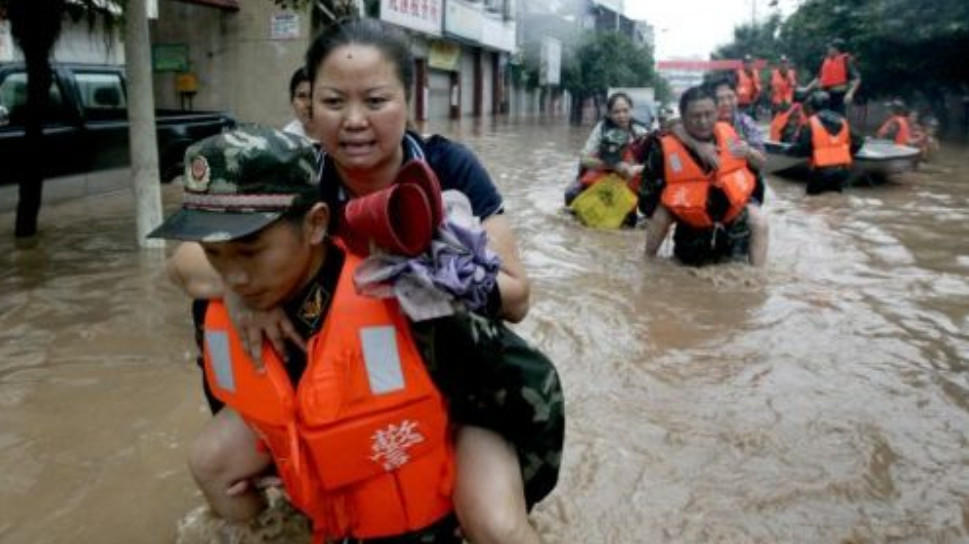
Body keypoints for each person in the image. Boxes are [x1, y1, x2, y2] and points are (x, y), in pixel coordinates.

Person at [166, 18, 557, 544]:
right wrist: (239, 289)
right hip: (337, 382)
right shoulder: (300, 175)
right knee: (213, 465)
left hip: (451, 378)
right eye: (332, 102)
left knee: (495, 526)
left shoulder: (447, 168)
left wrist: (442, 276)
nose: (354, 121)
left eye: (375, 101)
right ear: (308, 107)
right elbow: (187, 261)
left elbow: (518, 299)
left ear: (407, 100)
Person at [637, 85, 769, 267]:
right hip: (690, 219)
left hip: (730, 218)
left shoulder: (733, 137)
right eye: (695, 116)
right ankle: (647, 264)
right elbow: (646, 198)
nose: (703, 121)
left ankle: (758, 278)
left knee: (759, 220)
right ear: (682, 117)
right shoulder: (664, 147)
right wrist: (675, 206)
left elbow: (756, 182)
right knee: (661, 213)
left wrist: (750, 153)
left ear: (717, 113)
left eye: (709, 114)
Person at [563, 91, 650, 207]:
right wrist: (614, 165)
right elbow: (584, 159)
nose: (622, 116)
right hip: (601, 177)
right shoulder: (601, 129)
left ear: (631, 110)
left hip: (629, 180)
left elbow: (653, 164)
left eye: (625, 110)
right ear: (609, 113)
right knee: (571, 195)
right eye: (616, 112)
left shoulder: (640, 132)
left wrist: (635, 169)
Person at [787, 91, 863, 195]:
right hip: (841, 171)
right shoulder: (843, 120)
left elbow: (803, 148)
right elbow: (858, 142)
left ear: (812, 106)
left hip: (820, 171)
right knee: (836, 203)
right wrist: (845, 153)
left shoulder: (811, 122)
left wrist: (789, 151)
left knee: (813, 205)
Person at [804, 38, 861, 116]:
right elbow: (818, 78)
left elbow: (857, 79)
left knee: (838, 120)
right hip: (824, 96)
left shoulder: (846, 61)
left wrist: (850, 93)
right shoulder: (826, 61)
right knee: (822, 118)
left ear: (836, 49)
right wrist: (806, 89)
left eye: (830, 48)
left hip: (838, 96)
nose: (828, 50)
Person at [282, 67, 313, 140]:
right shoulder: (287, 139)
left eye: (313, 95)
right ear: (292, 101)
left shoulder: (342, 135)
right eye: (302, 96)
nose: (309, 104)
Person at [735, 54, 762, 119]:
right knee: (741, 123)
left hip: (752, 104)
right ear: (743, 64)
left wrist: (757, 104)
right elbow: (733, 88)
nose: (748, 64)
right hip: (740, 105)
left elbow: (759, 91)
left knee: (751, 124)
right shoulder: (738, 74)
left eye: (750, 62)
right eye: (746, 62)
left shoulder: (756, 74)